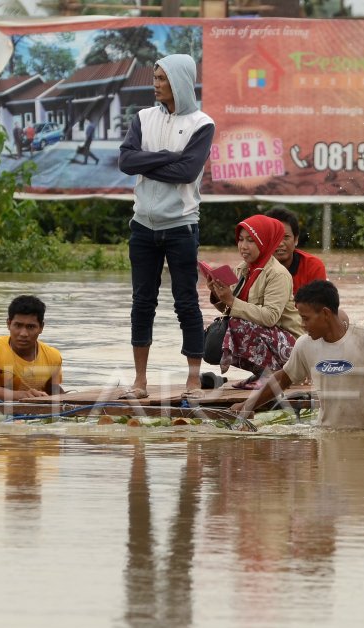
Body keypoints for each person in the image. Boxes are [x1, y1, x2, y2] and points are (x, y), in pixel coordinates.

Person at [117, 54, 215, 399]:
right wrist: (168, 157)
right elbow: (126, 161)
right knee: (142, 301)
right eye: (155, 77)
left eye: (161, 78)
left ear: (179, 81)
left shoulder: (202, 124)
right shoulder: (143, 118)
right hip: (142, 225)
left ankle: (192, 379)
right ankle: (140, 381)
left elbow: (187, 173)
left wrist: (149, 162)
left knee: (186, 301)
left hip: (181, 227)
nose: (155, 84)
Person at [231, 280, 364, 433]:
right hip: (326, 434)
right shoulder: (305, 345)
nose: (302, 325)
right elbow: (283, 378)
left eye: (305, 318)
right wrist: (248, 405)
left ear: (326, 314)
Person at [206, 215, 302, 387]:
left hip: (292, 348)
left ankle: (273, 374)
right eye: (241, 240)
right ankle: (262, 373)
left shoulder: (277, 274)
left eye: (251, 240)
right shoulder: (242, 269)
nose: (243, 246)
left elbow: (270, 317)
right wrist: (218, 295)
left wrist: (231, 300)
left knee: (237, 325)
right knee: (225, 328)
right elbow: (233, 310)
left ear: (265, 242)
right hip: (269, 338)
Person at [0, 295, 63, 401]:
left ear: (41, 328)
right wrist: (24, 395)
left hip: (35, 414)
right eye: (18, 325)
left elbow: (53, 391)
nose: (23, 333)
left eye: (30, 327)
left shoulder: (53, 356)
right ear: (9, 324)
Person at [267, 207, 327, 293]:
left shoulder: (313, 267)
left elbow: (318, 305)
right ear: (265, 240)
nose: (280, 243)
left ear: (296, 239)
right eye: (275, 237)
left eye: (286, 237)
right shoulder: (253, 268)